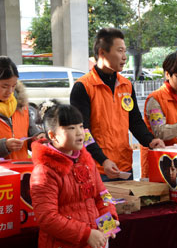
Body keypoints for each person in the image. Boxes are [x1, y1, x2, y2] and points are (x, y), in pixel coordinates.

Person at [30, 103, 119, 248]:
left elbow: (102, 195)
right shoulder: (45, 170)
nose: (79, 133)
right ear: (52, 136)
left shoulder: (86, 160)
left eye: (80, 126)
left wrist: (109, 220)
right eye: (71, 128)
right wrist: (86, 234)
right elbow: (47, 218)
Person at [70, 27, 164, 182]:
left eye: (125, 51)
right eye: (120, 51)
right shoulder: (83, 87)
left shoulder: (126, 85)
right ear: (102, 53)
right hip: (97, 169)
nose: (124, 57)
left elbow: (134, 121)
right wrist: (102, 159)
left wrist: (150, 140)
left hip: (124, 167)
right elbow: (82, 132)